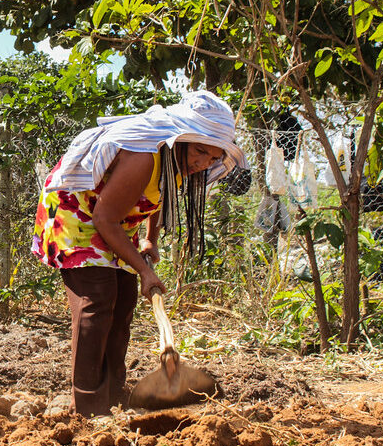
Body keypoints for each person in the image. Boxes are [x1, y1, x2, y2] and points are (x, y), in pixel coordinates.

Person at [32, 91, 247, 417]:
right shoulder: (143, 155)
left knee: (124, 302)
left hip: (113, 218)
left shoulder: (174, 162)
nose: (203, 163)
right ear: (180, 140)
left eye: (213, 158)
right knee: (98, 300)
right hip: (76, 213)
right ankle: (89, 409)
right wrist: (145, 272)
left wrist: (150, 239)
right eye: (200, 151)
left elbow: (157, 197)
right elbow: (104, 219)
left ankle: (115, 398)